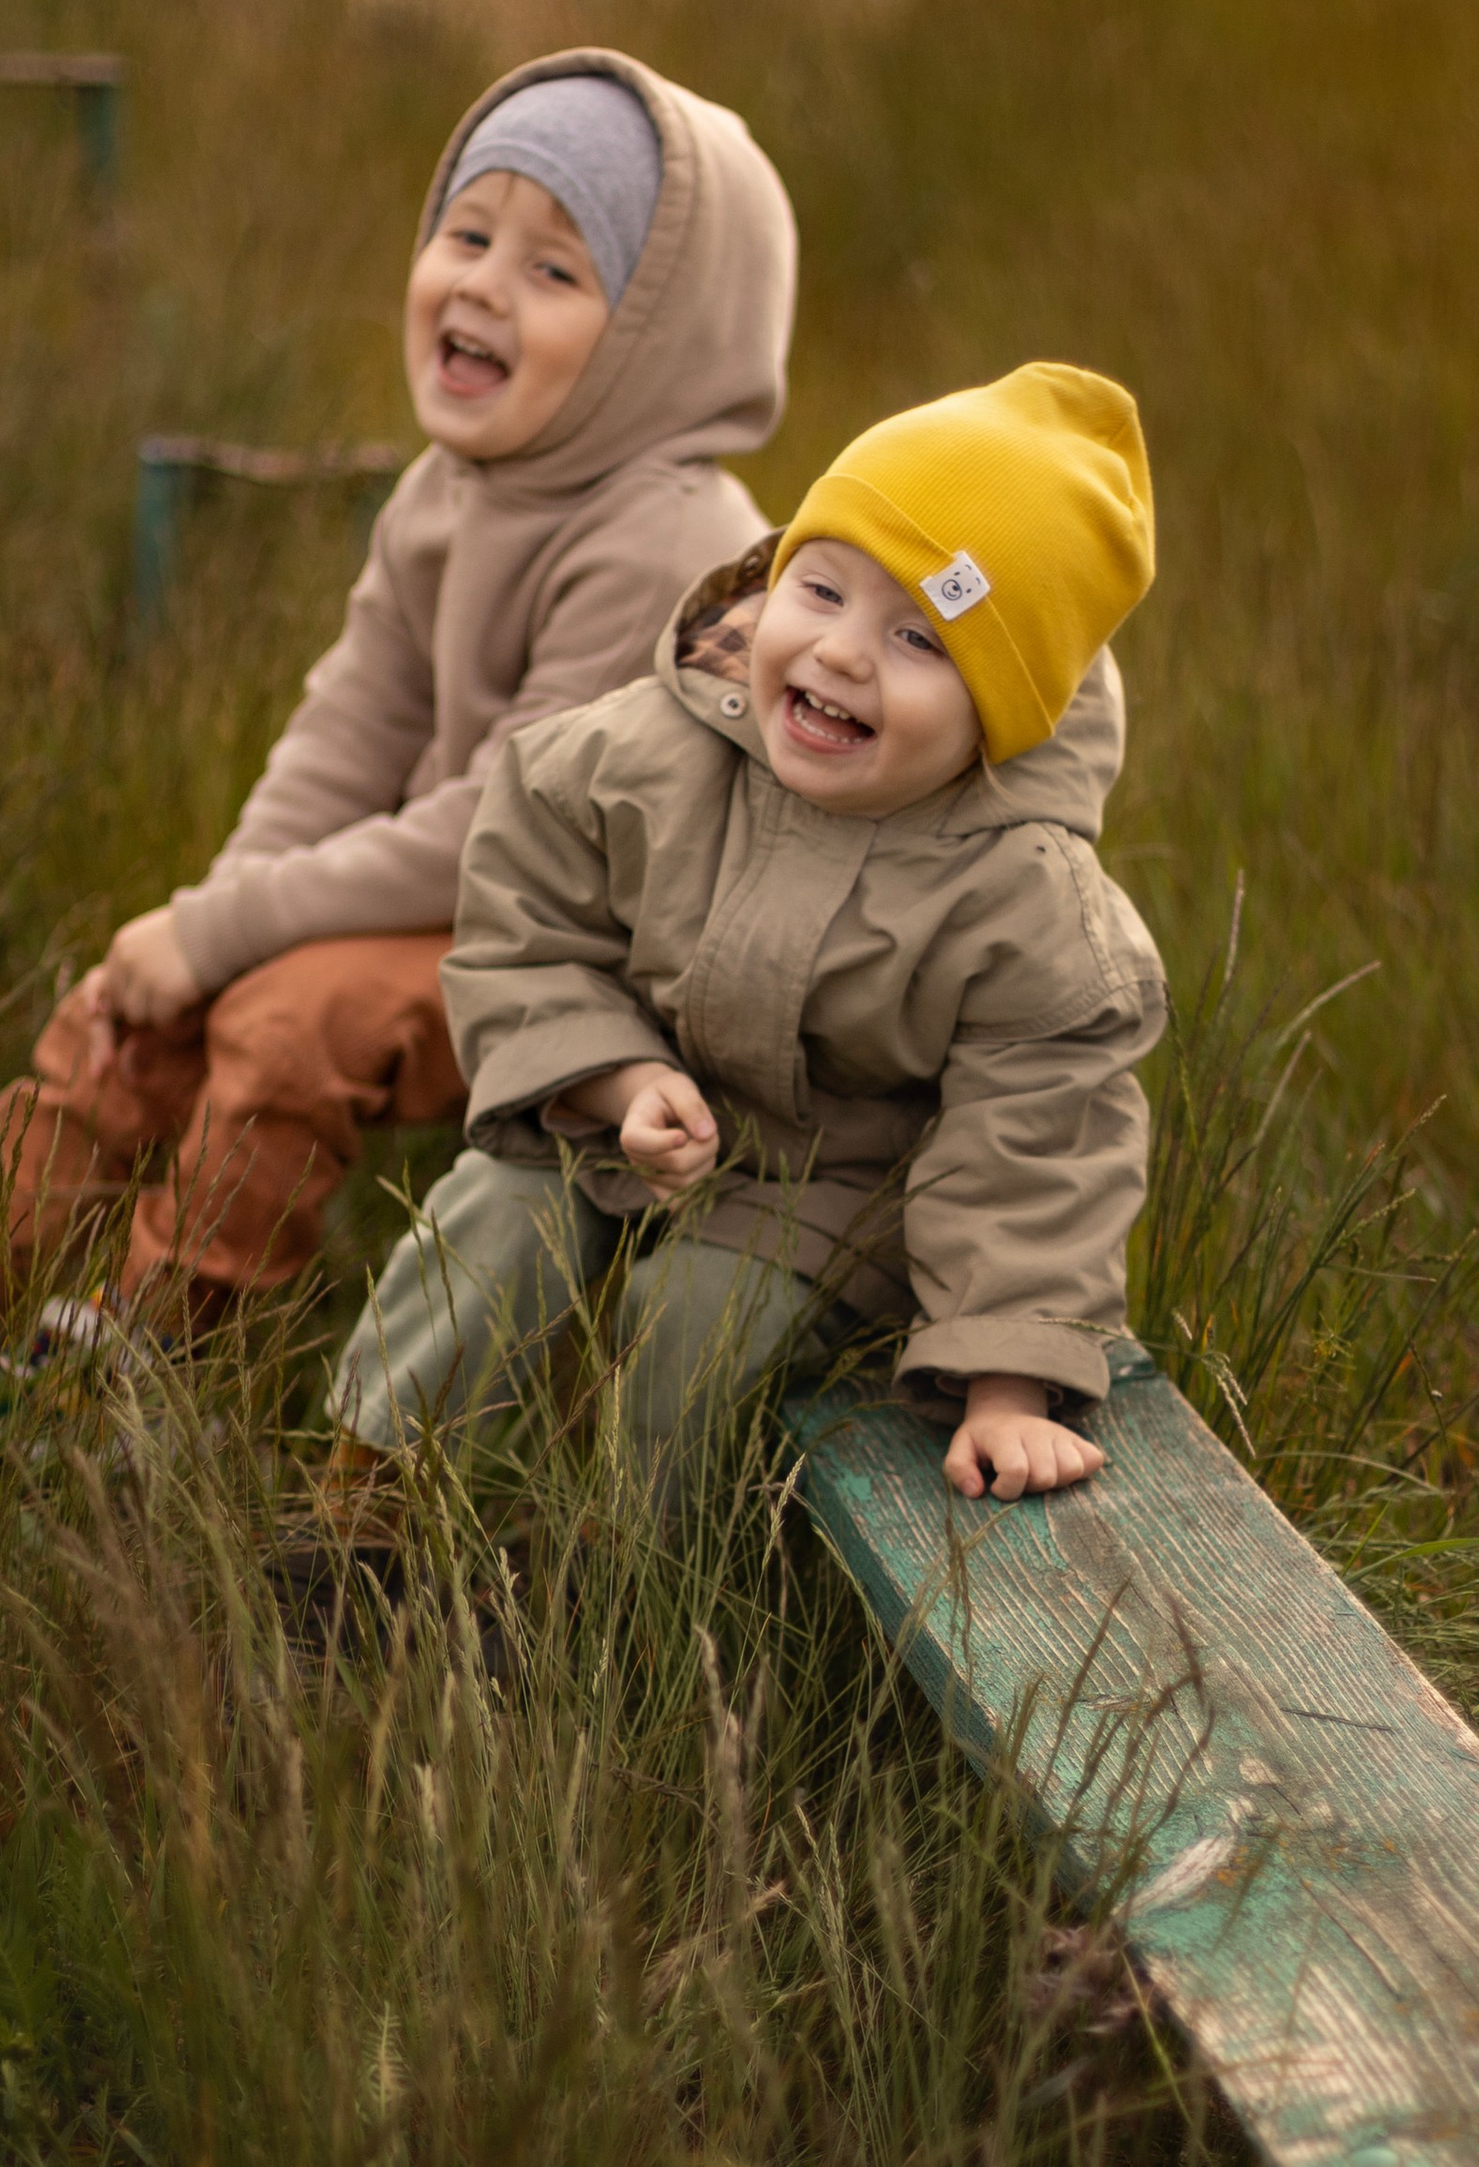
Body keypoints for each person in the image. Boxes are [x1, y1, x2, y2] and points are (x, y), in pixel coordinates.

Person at [0, 49, 797, 1334]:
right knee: (144, 994)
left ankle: (159, 1359)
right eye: (465, 232)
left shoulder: (664, 538)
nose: (480, 286)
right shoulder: (448, 489)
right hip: (484, 909)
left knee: (288, 1020)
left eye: (553, 270)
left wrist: (237, 944)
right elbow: (352, 726)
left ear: (661, 341)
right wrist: (212, 923)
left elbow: (503, 827)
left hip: (607, 976)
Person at [322, 360, 1165, 1518]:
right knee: (492, 1226)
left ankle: (618, 1581)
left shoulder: (1021, 896)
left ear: (1002, 711)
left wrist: (1009, 1387)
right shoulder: (653, 749)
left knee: (699, 1328)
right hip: (623, 1118)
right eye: (818, 591)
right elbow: (529, 922)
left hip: (828, 1189)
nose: (841, 655)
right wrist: (615, 1077)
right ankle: (370, 1506)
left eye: (921, 641)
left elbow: (1039, 1141)